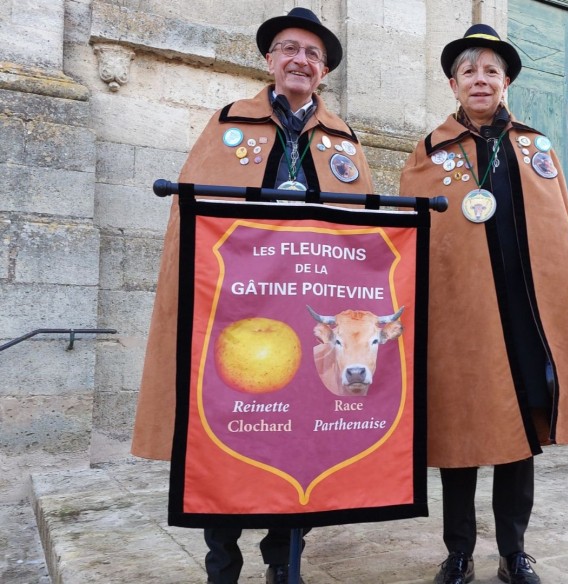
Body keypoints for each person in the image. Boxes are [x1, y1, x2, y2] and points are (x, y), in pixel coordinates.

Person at [130, 7, 374, 584]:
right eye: (290, 49)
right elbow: (194, 221)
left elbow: (363, 235)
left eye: (313, 55)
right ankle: (223, 559)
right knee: (229, 427)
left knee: (300, 434)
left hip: (309, 312)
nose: (301, 60)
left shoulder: (342, 138)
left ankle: (282, 555)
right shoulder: (230, 123)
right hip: (237, 311)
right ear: (269, 59)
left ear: (324, 71)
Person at [399, 24, 568, 584]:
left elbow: (559, 234)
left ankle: (513, 551)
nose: (481, 79)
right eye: (469, 71)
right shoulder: (429, 152)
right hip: (459, 317)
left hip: (523, 311)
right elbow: (411, 238)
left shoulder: (535, 146)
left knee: (519, 434)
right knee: (460, 433)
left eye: (491, 71)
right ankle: (458, 553)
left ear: (506, 82)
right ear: (454, 84)